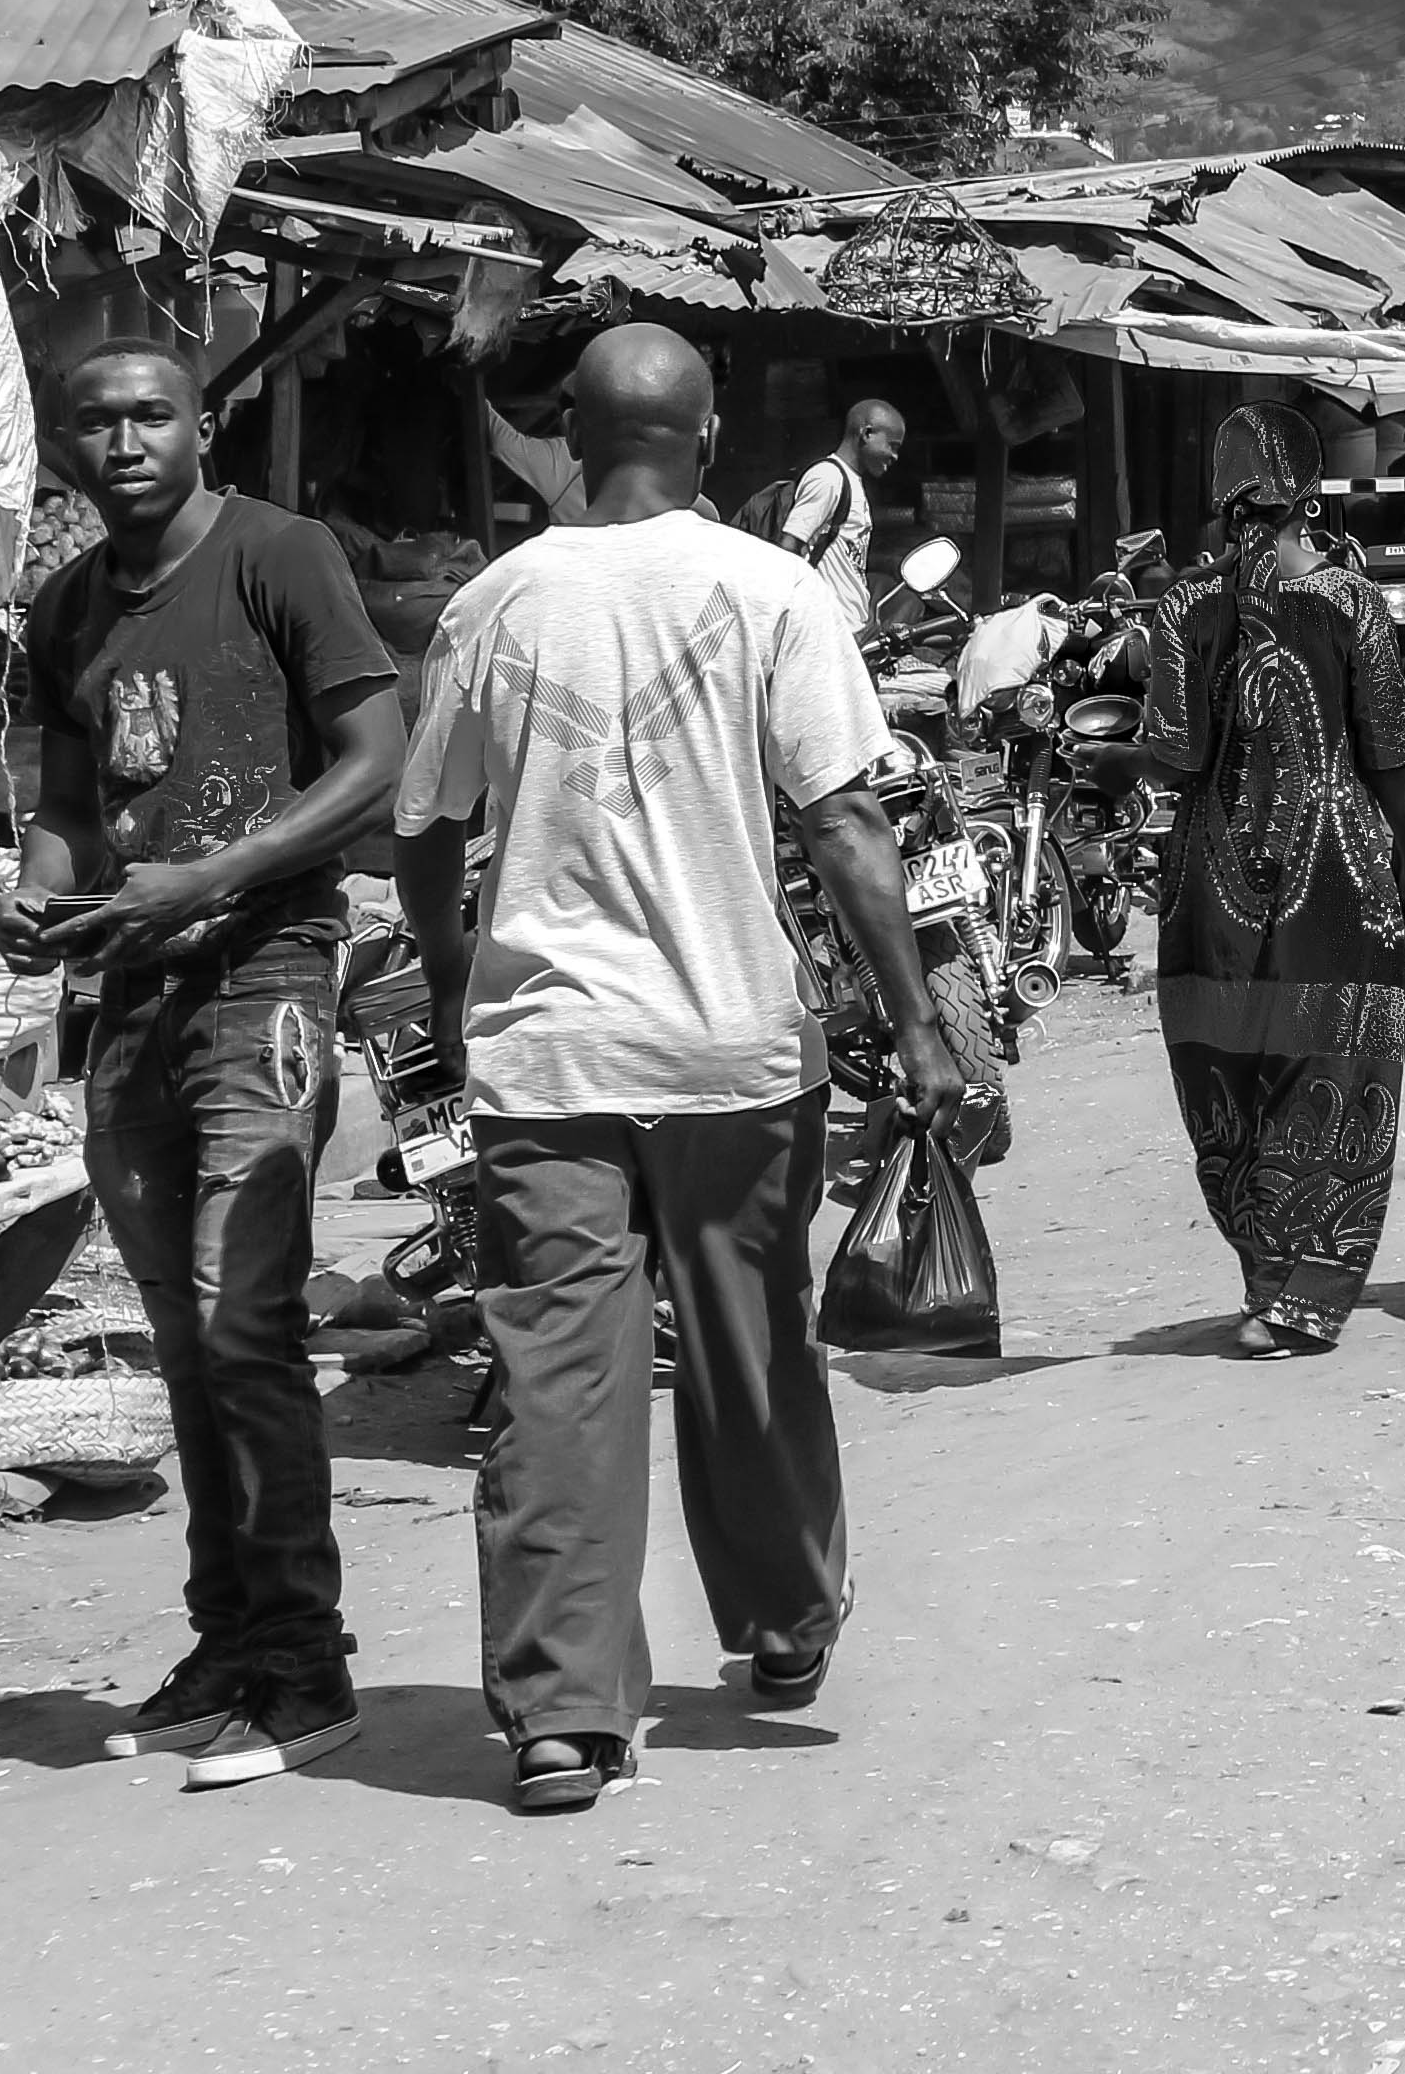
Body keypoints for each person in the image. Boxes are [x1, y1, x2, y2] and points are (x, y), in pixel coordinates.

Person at [394, 325, 972, 1817]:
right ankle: (784, 1631)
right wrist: (916, 1028)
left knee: (556, 1382)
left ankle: (564, 1720)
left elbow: (420, 828)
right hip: (732, 1050)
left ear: (569, 444)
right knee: (749, 1352)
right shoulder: (772, 590)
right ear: (710, 444)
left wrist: (464, 982)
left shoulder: (491, 606)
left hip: (553, 1060)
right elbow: (844, 825)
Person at [13, 343, 409, 1790]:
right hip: (129, 996)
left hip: (270, 974)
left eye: (150, 415)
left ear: (201, 427)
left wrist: (217, 874)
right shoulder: (65, 606)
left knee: (247, 1323)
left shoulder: (277, 556)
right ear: (66, 444)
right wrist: (35, 891)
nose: (123, 440)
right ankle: (227, 1638)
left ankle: (305, 1667)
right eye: (96, 420)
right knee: (183, 1335)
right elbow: (66, 804)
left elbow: (377, 753)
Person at [1138, 406, 1405, 1358]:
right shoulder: (1353, 605)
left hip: (1209, 891)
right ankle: (1310, 1290)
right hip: (1338, 881)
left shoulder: (1183, 609)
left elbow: (1174, 759)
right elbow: (1392, 756)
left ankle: (1267, 1281)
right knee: (1339, 1072)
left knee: (1233, 1073)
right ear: (1313, 495)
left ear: (1223, 499)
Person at [769, 397, 908, 615]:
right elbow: (788, 549)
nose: (895, 456)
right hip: (831, 627)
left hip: (852, 626)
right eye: (892, 445)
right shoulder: (828, 477)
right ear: (867, 434)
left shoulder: (852, 481)